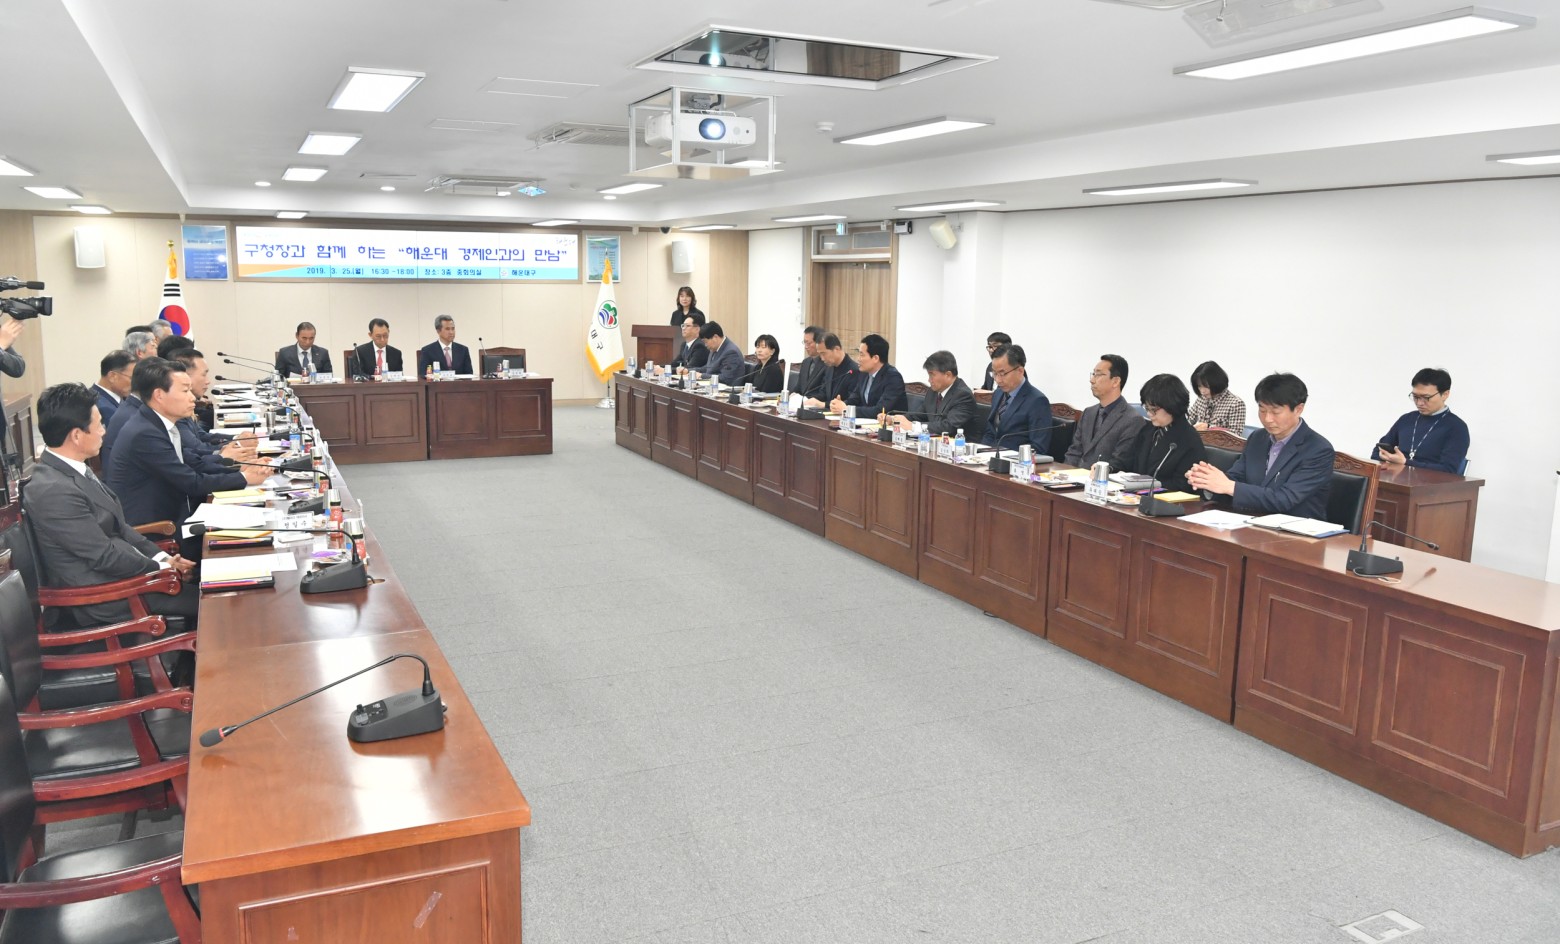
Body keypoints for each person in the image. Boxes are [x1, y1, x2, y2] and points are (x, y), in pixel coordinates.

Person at [25, 382, 199, 628]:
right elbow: (104, 556)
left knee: (215, 585)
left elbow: (120, 527)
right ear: (77, 435)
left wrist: (162, 558)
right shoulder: (52, 489)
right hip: (105, 597)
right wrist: (162, 568)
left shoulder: (73, 469)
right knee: (217, 603)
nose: (104, 431)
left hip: (127, 579)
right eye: (99, 425)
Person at [105, 358, 268, 543]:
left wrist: (240, 467)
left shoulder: (155, 423)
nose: (192, 397)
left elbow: (194, 462)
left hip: (177, 513)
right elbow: (191, 482)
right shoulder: (144, 433)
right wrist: (244, 478)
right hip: (158, 529)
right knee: (246, 537)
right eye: (185, 391)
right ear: (159, 395)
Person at [1187, 372, 1333, 519]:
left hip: (1297, 529)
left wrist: (1229, 486)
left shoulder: (1318, 450)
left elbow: (1285, 499)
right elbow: (1236, 478)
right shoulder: (1257, 438)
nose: (1267, 419)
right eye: (1262, 410)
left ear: (1298, 409)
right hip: (1252, 521)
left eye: (1275, 412)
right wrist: (1207, 481)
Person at [1117, 374, 1206, 493]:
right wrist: (1110, 468)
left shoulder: (1189, 439)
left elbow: (1183, 485)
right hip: (1136, 496)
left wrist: (1146, 486)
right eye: (1147, 408)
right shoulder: (1147, 430)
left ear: (1172, 406)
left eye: (1153, 410)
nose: (1149, 414)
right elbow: (1128, 460)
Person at [1372, 367, 1469, 474]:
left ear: (1445, 394)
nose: (1419, 403)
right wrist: (1384, 462)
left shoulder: (1457, 427)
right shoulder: (1406, 419)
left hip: (1430, 484)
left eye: (1426, 397)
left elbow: (1448, 470)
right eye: (1415, 397)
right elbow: (1379, 449)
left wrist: (1406, 462)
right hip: (1395, 480)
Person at [1065, 354, 1145, 468]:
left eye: (1098, 375)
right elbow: (1074, 452)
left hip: (1102, 478)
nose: (1092, 380)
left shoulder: (1132, 420)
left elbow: (1119, 462)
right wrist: (1064, 475)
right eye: (1093, 374)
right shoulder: (1088, 412)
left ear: (1115, 381)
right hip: (1075, 476)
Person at [981, 343, 1053, 454]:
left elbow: (1038, 447)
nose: (998, 380)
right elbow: (990, 432)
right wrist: (980, 453)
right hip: (989, 458)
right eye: (994, 373)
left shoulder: (1037, 401)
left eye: (1003, 374)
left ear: (1020, 371)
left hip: (1015, 461)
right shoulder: (998, 393)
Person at [892, 350, 975, 437]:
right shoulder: (933, 392)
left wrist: (913, 427)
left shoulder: (963, 395)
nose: (929, 380)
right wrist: (895, 419)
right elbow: (919, 415)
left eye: (932, 375)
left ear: (948, 375)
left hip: (958, 443)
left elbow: (949, 426)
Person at [832, 334, 906, 417]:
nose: (858, 359)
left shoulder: (893, 378)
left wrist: (847, 409)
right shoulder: (864, 374)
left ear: (875, 358)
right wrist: (840, 405)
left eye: (862, 355)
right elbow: (855, 399)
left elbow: (880, 410)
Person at [1188, 360, 1246, 431]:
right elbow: (1188, 419)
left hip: (1219, 439)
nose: (1202, 391)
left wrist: (1209, 428)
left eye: (1206, 386)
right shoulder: (1201, 399)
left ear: (1216, 382)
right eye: (1199, 386)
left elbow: (1235, 434)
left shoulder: (1236, 404)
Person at [805, 334, 857, 408]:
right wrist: (809, 400)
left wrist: (824, 405)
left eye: (823, 353)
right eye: (820, 354)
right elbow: (824, 393)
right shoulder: (829, 367)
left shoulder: (853, 370)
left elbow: (852, 401)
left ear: (836, 349)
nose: (822, 358)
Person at [93, 350, 134, 427]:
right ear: (112, 376)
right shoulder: (102, 408)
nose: (135, 383)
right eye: (131, 378)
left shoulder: (121, 400)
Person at [697, 321, 745, 385]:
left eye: (705, 342)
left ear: (715, 337)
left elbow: (726, 378)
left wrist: (702, 376)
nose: (705, 345)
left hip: (727, 389)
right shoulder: (714, 349)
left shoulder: (731, 352)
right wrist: (690, 371)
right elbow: (708, 368)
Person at [793, 326, 827, 401]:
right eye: (804, 342)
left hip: (815, 404)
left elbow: (823, 394)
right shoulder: (805, 362)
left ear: (819, 343)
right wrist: (792, 395)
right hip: (801, 404)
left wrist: (804, 400)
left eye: (808, 343)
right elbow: (798, 388)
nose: (806, 347)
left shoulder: (827, 363)